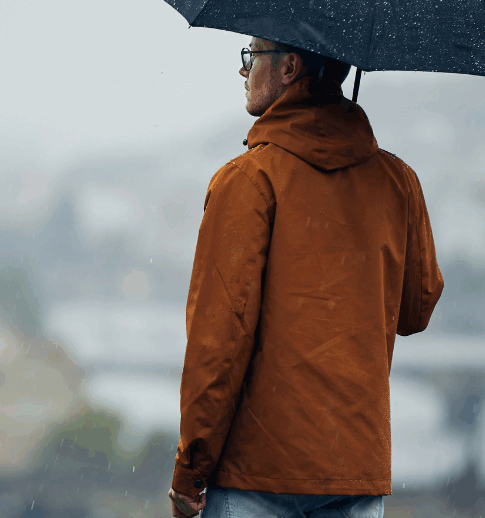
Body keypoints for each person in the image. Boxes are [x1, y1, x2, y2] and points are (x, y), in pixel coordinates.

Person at [167, 37, 444, 518]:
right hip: (355, 466)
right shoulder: (399, 181)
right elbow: (415, 312)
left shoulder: (249, 180)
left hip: (256, 469)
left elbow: (218, 342)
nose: (242, 71)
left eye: (251, 56)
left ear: (289, 67)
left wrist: (192, 469)